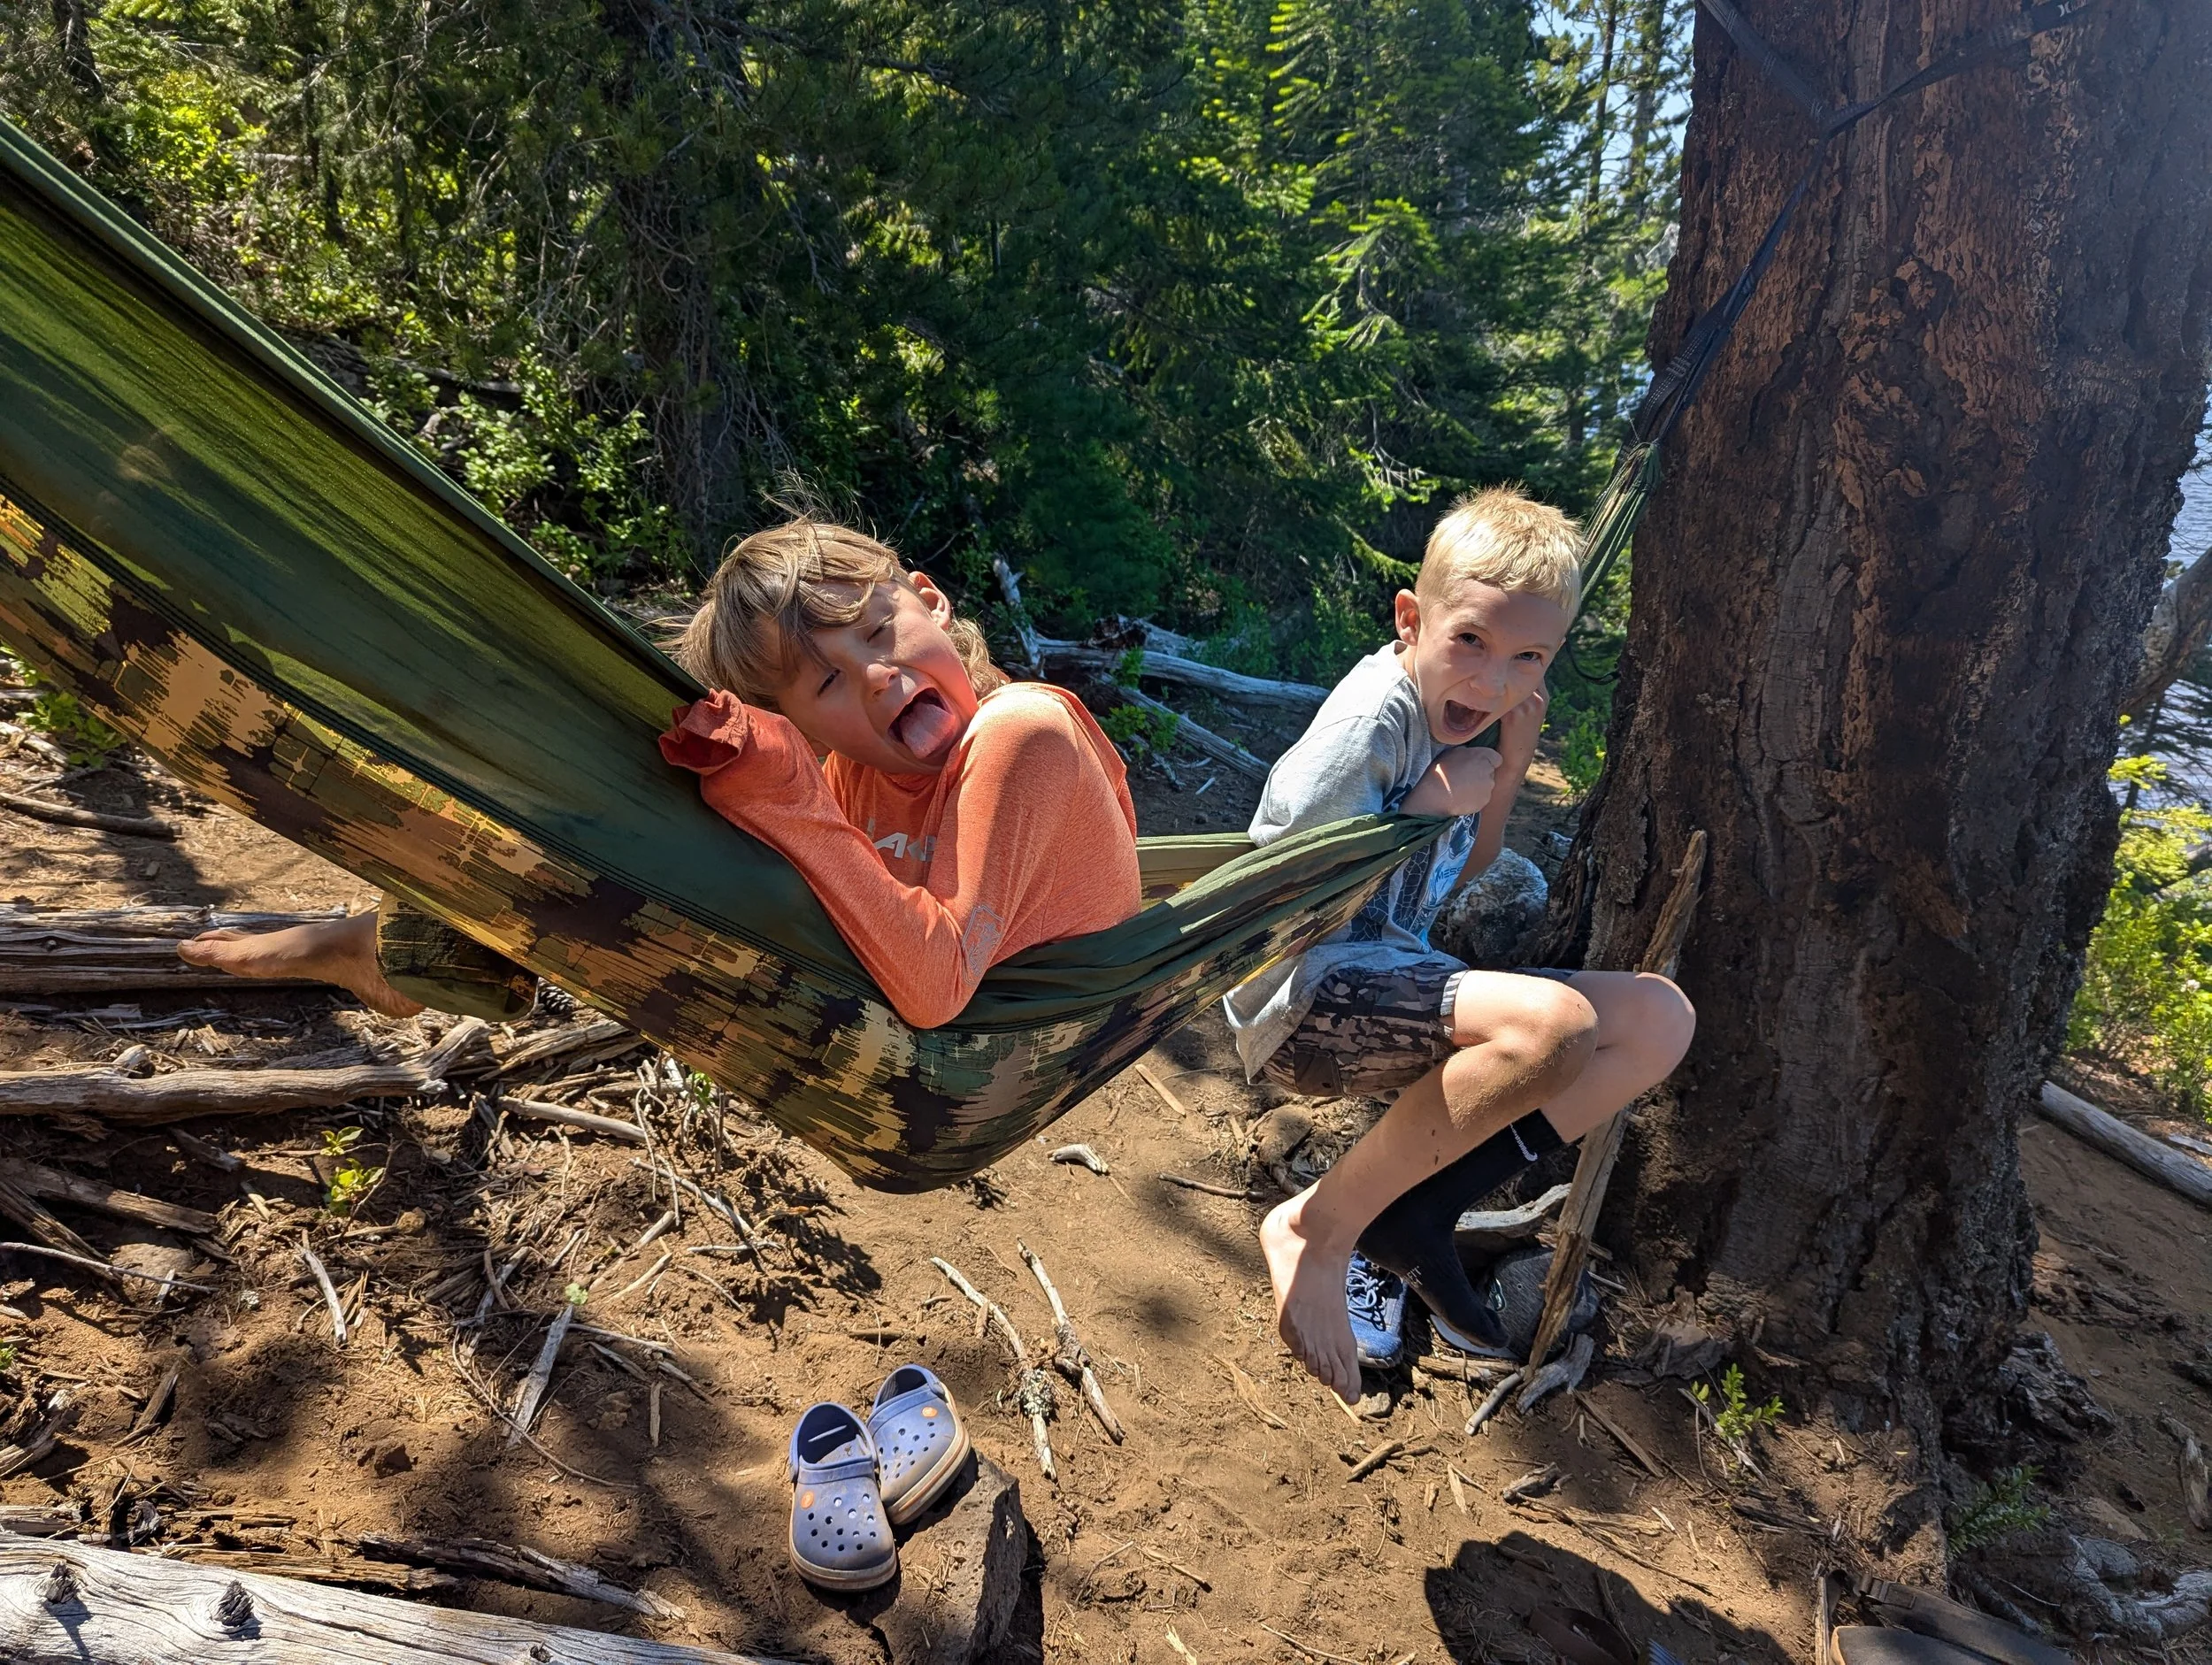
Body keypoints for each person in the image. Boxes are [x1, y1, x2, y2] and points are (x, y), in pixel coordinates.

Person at [177, 518, 1142, 1030]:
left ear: (929, 601)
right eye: (825, 682)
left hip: (999, 1052)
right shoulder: (855, 771)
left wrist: (796, 805)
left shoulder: (1024, 731)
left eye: (883, 629)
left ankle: (385, 945)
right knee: (637, 823)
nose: (878, 674)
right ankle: (414, 941)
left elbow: (934, 984)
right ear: (800, 724)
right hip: (893, 1013)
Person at [1227, 487, 1695, 1403]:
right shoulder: (1372, 719)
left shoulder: (1475, 719)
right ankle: (1319, 1229)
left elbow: (1465, 868)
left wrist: (1505, 770)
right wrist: (1412, 808)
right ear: (1410, 618)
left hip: (1389, 976)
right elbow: (1278, 886)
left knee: (1654, 1021)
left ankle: (1421, 1213)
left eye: (1528, 657)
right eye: (1470, 641)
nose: (1493, 681)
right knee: (1551, 1030)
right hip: (1304, 999)